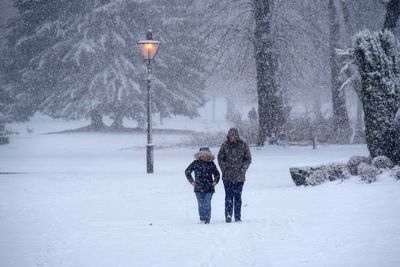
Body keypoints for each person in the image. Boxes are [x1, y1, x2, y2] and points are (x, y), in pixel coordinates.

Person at [218, 128, 251, 223]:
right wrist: (224, 169)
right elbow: (220, 158)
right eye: (230, 136)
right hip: (227, 177)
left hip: (239, 177)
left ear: (237, 136)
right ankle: (228, 215)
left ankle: (237, 216)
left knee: (237, 197)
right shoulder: (224, 145)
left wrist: (242, 170)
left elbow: (248, 159)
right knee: (228, 197)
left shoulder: (243, 145)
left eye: (233, 136)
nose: (231, 138)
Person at [185, 147, 220, 224]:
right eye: (202, 155)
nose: (204, 157)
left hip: (209, 188)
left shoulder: (211, 164)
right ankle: (202, 218)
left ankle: (207, 219)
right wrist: (192, 182)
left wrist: (215, 181)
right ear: (199, 156)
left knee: (207, 203)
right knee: (201, 204)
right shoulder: (195, 163)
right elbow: (187, 172)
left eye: (206, 156)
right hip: (198, 188)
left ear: (209, 157)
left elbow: (217, 174)